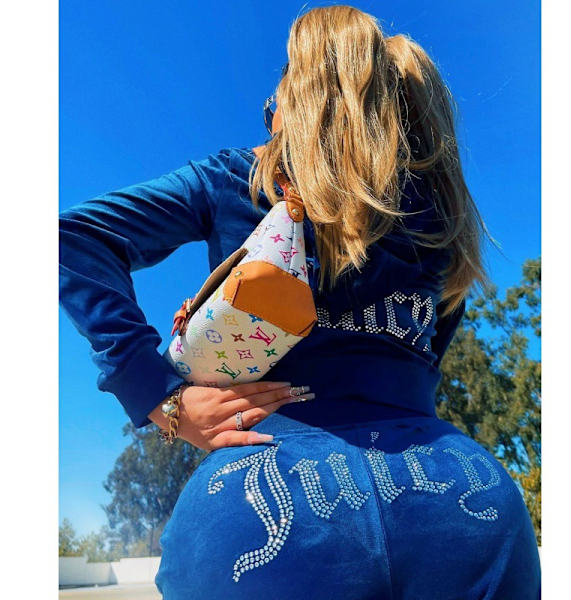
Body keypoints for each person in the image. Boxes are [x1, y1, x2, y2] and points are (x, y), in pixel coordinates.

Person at [58, 5, 541, 599]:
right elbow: (434, 344)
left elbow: (73, 238)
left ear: (297, 100)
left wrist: (158, 395)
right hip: (467, 501)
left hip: (256, 498)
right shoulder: (439, 216)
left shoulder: (239, 177)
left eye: (272, 106)